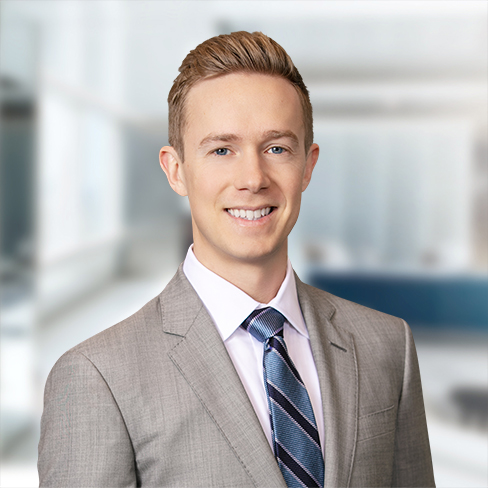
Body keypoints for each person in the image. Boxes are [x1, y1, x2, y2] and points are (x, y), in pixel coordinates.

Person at [38, 31, 435, 488]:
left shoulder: (388, 346)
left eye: (277, 149)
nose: (252, 178)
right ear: (176, 169)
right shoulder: (97, 378)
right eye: (222, 150)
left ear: (308, 165)